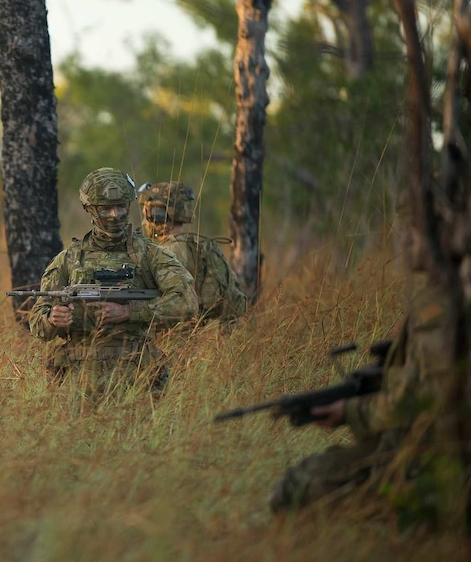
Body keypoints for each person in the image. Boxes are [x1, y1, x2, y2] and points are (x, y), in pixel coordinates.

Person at [269, 281, 464, 514]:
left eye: (418, 241)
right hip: (422, 451)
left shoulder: (442, 305)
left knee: (293, 489)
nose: (409, 244)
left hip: (432, 462)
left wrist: (350, 410)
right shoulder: (445, 297)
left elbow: (422, 399)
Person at [28, 167, 199, 402]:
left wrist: (129, 312)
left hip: (137, 375)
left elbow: (187, 302)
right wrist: (52, 319)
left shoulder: (151, 255)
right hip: (77, 380)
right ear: (90, 209)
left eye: (120, 207)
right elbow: (38, 320)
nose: (114, 215)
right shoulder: (68, 259)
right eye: (105, 209)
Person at [138, 181, 247, 322]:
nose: (145, 220)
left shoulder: (166, 253)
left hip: (181, 335)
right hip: (211, 332)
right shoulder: (202, 245)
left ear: (158, 214)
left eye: (147, 212)